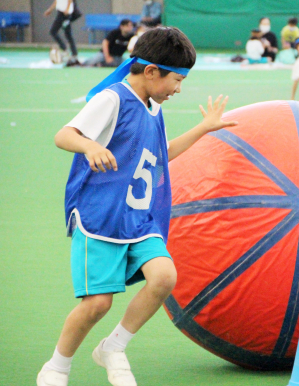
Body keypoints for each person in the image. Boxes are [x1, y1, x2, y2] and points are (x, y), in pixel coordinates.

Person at [36, 27, 237, 386]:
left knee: (164, 277)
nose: (178, 88)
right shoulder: (113, 100)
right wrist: (90, 147)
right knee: (97, 304)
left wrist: (203, 128)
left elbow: (162, 155)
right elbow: (64, 135)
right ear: (150, 72)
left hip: (138, 218)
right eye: (176, 79)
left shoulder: (154, 107)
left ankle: (113, 347)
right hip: (101, 218)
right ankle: (56, 367)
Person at [44, 0, 79, 66]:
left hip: (65, 14)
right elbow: (56, 1)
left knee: (53, 31)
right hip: (60, 13)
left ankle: (66, 49)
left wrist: (67, 9)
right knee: (67, 34)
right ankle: (73, 53)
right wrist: (50, 9)